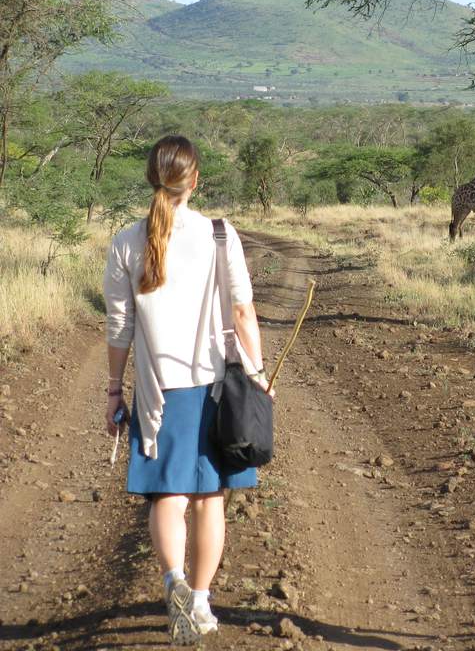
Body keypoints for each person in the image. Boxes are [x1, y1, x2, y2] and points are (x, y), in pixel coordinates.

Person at [103, 135, 271, 645]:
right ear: (194, 180)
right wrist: (258, 374)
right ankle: (199, 603)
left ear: (152, 178)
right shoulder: (220, 234)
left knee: (168, 495)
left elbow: (119, 325)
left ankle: (173, 580)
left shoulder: (126, 240)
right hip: (216, 388)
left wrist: (114, 390)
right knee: (209, 498)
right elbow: (242, 311)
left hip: (159, 393)